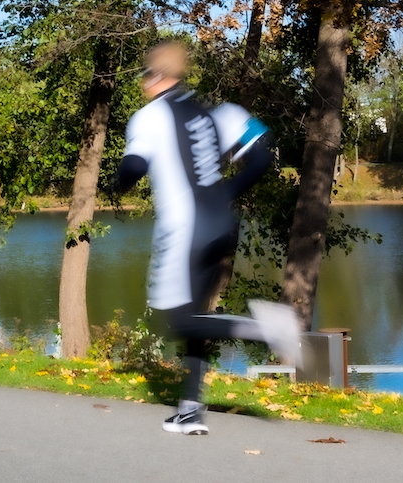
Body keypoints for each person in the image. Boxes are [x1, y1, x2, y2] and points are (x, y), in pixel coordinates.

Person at [112, 41, 300, 436]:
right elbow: (265, 158)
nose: (144, 85)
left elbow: (131, 169)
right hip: (222, 224)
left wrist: (118, 182)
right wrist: (225, 194)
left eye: (145, 77)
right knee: (197, 316)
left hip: (185, 230)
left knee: (178, 320)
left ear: (157, 77)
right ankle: (190, 411)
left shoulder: (148, 118)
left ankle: (265, 329)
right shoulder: (222, 112)